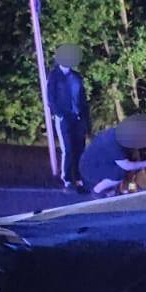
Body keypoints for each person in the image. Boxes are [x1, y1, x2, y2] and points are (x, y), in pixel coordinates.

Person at [78, 112, 146, 197]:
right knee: (119, 173)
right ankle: (97, 191)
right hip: (89, 168)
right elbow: (127, 166)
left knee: (130, 164)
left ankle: (122, 185)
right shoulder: (115, 145)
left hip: (99, 160)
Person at [47, 44, 90, 191]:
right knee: (68, 149)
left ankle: (79, 179)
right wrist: (59, 114)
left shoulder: (76, 77)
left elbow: (82, 98)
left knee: (80, 149)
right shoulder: (54, 76)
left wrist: (85, 119)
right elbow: (51, 98)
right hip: (64, 118)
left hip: (78, 117)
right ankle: (67, 179)